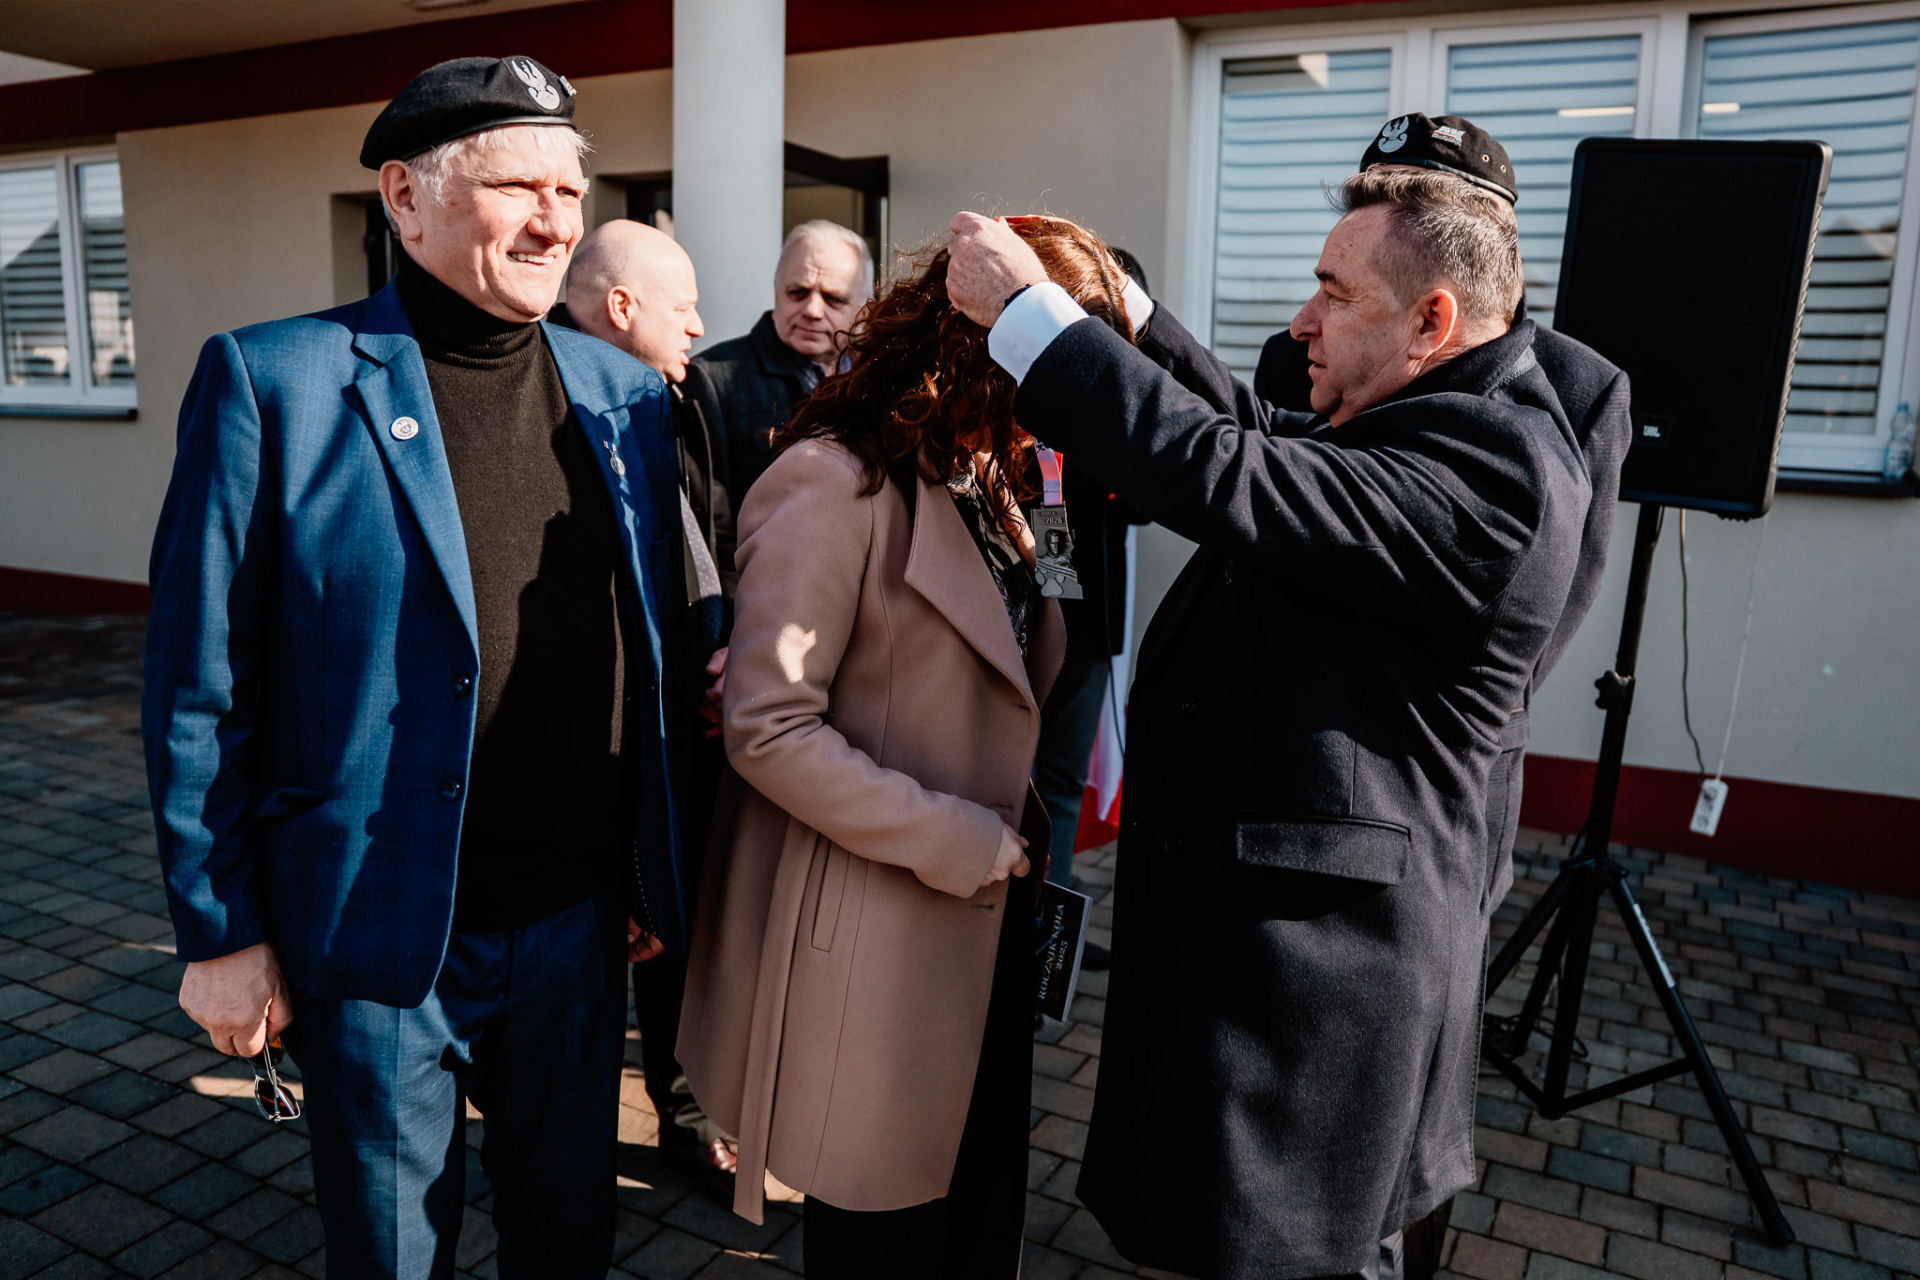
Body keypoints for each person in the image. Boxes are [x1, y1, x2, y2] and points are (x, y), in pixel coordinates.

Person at [944, 166, 1593, 1279]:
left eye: (1334, 293)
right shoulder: (1417, 418)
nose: (1301, 323)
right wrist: (1130, 312)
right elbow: (1255, 432)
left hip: (1325, 1004)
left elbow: (1229, 468)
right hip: (1278, 972)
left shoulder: (1498, 464)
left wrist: (1028, 316)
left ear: (1432, 322)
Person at [142, 57, 686, 1279]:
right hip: (378, 934)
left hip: (575, 923)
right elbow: (197, 683)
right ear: (404, 195)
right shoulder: (274, 382)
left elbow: (648, 645)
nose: (555, 220)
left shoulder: (625, 397)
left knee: (569, 1242)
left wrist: (647, 860)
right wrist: (220, 931)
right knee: (391, 1254)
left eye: (570, 189)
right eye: (518, 187)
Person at [1162, 114, 1633, 1279]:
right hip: (1306, 796)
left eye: (1415, 194)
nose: (1310, 313)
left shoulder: (1559, 407)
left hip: (1406, 802)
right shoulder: (1321, 349)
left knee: (1367, 1151)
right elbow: (1260, 446)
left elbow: (1524, 633)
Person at [676, 217, 1139, 1279]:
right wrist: (955, 837)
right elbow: (768, 727)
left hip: (989, 909)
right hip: (884, 920)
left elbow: (1052, 617)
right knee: (882, 1236)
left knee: (978, 1220)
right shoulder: (831, 478)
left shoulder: (1003, 471)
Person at [563, 218, 742, 1199]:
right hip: (593, 745)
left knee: (674, 922)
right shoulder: (545, 405)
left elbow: (706, 536)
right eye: (685, 307)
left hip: (681, 726)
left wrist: (720, 650)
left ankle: (684, 1112)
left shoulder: (671, 397)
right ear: (623, 306)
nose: (700, 326)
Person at [1025, 246, 1152, 918]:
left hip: (1093, 617)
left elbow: (1144, 506)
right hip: (1035, 608)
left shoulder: (1130, 390)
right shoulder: (1029, 374)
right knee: (1021, 775)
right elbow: (1040, 503)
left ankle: (1054, 938)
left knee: (1065, 780)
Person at [691, 219, 874, 500]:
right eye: (798, 293)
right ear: (776, 291)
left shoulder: (883, 376)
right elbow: (713, 514)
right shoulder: (711, 379)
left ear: (865, 308)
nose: (812, 310)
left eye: (833, 298)